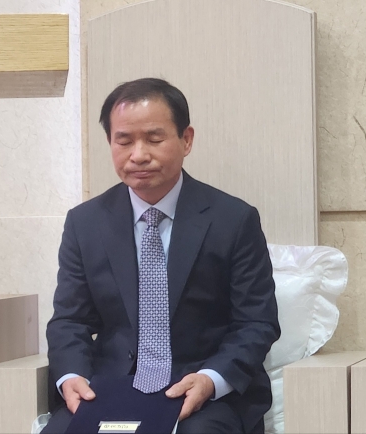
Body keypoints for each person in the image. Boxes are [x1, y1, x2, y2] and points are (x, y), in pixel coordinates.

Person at [43, 78, 280, 433]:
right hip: (110, 389)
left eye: (154, 139)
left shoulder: (233, 219)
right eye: (124, 141)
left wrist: (211, 379)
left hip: (202, 391)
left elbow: (256, 323)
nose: (138, 154)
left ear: (186, 140)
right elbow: (69, 321)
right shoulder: (85, 223)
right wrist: (72, 376)